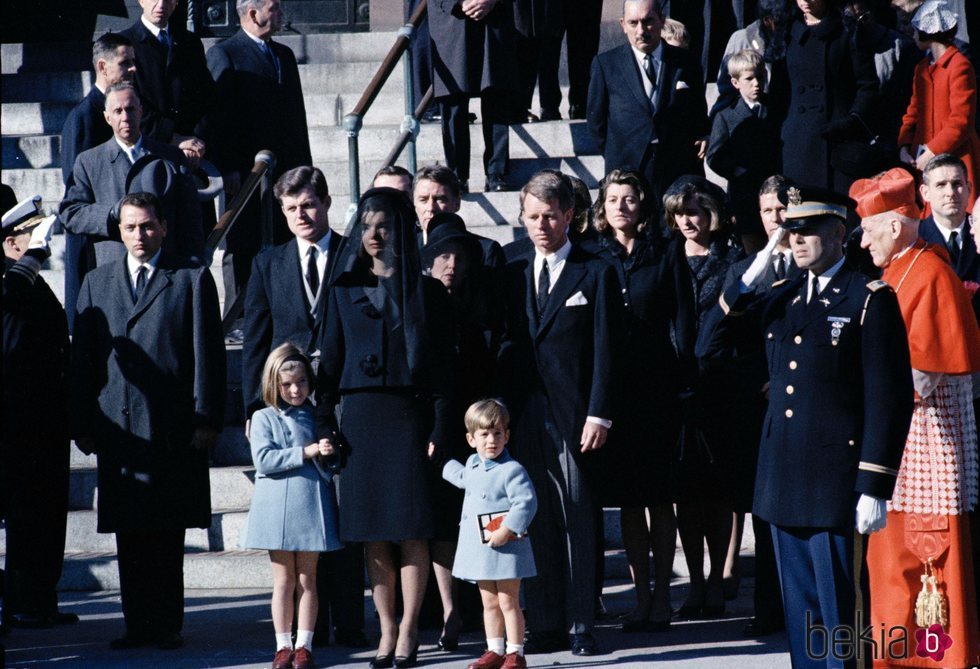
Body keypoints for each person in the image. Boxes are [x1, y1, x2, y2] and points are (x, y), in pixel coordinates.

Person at [696, 184, 914, 669]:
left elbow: (889, 398)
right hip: (782, 478)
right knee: (802, 618)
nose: (794, 239)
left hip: (836, 481)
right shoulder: (781, 296)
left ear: (839, 233)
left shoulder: (867, 298)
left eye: (806, 230)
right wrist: (755, 268)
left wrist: (875, 484)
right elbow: (709, 344)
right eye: (788, 231)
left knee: (839, 612)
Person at [71, 192, 226, 650]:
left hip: (173, 428)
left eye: (147, 226)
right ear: (118, 231)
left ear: (163, 226)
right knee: (130, 533)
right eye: (130, 227)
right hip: (120, 428)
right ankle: (136, 623)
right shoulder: (97, 282)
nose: (139, 235)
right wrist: (82, 422)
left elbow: (208, 356)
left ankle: (166, 624)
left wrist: (206, 419)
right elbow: (84, 360)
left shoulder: (191, 278)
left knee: (166, 530)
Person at [315, 187, 455, 668]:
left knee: (413, 529)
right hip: (359, 419)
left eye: (385, 226)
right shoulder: (341, 290)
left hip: (409, 418)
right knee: (374, 533)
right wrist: (324, 423)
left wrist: (440, 425)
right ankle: (387, 629)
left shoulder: (428, 291)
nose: (375, 235)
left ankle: (413, 629)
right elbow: (328, 368)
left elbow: (442, 371)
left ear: (402, 232)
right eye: (368, 226)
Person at [852, 168, 980, 669]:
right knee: (889, 566)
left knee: (923, 566)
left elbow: (924, 376)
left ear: (896, 226)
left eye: (868, 229)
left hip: (926, 445)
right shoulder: (896, 271)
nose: (862, 241)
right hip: (898, 443)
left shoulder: (928, 273)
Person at [240, 166, 366, 648]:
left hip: (341, 394)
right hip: (288, 402)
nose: (301, 215)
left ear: (327, 202)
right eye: (291, 208)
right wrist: (254, 405)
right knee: (305, 516)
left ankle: (348, 621)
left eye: (309, 204)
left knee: (343, 508)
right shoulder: (268, 262)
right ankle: (305, 631)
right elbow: (255, 336)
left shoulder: (353, 253)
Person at [497, 170, 622, 656]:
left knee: (575, 516)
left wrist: (600, 413)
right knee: (534, 517)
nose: (542, 225)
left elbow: (608, 348)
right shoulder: (510, 268)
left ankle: (580, 623)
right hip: (524, 414)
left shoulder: (597, 269)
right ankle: (545, 620)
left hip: (576, 416)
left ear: (571, 215)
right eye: (533, 217)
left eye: (551, 216)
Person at [583, 169, 694, 632]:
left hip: (658, 388)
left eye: (630, 199)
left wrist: (684, 377)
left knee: (659, 497)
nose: (622, 207)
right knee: (629, 500)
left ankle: (664, 598)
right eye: (613, 200)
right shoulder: (592, 254)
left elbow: (683, 320)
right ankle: (641, 595)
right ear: (602, 208)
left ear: (642, 204)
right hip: (613, 391)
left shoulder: (666, 251)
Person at [663, 175, 745, 620]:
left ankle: (717, 578)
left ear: (711, 213)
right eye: (679, 213)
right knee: (685, 494)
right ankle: (694, 580)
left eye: (693, 211)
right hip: (676, 388)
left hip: (717, 387)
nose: (687, 220)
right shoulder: (666, 257)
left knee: (716, 492)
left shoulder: (732, 261)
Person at [720, 174, 796, 638]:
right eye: (769, 211)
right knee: (766, 516)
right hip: (762, 406)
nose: (779, 220)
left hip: (811, 404)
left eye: (784, 209)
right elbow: (723, 336)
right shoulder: (748, 268)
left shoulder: (821, 263)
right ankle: (769, 609)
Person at [59, 81, 205, 315]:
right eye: (117, 111)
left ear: (141, 111)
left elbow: (190, 221)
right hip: (114, 272)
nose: (125, 117)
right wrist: (112, 214)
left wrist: (194, 267)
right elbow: (71, 212)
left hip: (166, 273)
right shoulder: (89, 161)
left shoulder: (170, 156)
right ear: (107, 118)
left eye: (130, 109)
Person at [241, 344, 343, 669]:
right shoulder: (262, 417)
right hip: (275, 507)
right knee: (283, 580)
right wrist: (307, 451)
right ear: (274, 384)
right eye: (287, 384)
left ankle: (304, 644)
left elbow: (330, 464)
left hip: (310, 503)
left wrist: (327, 452)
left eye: (301, 382)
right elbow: (264, 460)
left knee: (307, 578)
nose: (296, 390)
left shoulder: (316, 416)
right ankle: (282, 645)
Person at [1, 200, 76, 630]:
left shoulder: (27, 282)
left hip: (44, 420)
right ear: (11, 241)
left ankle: (37, 601)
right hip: (18, 424)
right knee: (28, 516)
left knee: (44, 516)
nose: (42, 242)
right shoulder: (12, 282)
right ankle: (24, 603)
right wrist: (32, 257)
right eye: (32, 234)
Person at [206, 0, 312, 288]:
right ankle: (238, 320)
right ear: (253, 13)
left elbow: (296, 118)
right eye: (274, 7)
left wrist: (306, 170)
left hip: (286, 170)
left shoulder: (284, 55)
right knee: (243, 245)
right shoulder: (224, 54)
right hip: (246, 174)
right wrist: (227, 168)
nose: (281, 13)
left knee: (286, 242)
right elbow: (217, 120)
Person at [430, 399, 537, 669]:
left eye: (498, 433)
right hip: (481, 548)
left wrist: (507, 529)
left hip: (507, 547)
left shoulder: (512, 470)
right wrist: (441, 460)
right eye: (484, 434)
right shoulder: (474, 464)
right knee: (488, 602)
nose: (492, 440)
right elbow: (464, 478)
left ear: (507, 435)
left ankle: (516, 653)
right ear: (471, 439)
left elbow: (526, 502)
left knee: (509, 601)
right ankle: (495, 650)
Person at [586, 0, 709, 213]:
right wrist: (622, 151)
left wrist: (703, 135)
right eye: (633, 23)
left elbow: (698, 112)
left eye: (648, 21)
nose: (641, 31)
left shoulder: (686, 62)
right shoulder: (606, 64)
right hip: (628, 170)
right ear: (623, 24)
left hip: (677, 167)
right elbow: (597, 123)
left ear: (661, 20)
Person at [60, 33, 137, 331]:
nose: (133, 69)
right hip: (95, 250)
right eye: (125, 63)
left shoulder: (127, 108)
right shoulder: (83, 118)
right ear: (103, 67)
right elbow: (75, 200)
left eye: (134, 62)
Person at [769, 0, 878, 192]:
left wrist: (851, 121)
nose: (805, 1)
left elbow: (867, 85)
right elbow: (779, 92)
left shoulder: (847, 29)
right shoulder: (786, 33)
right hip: (798, 143)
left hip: (839, 140)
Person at [428, 0, 521, 192]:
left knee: (496, 93)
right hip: (451, 21)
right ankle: (457, 175)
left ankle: (496, 171)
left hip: (495, 18)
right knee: (453, 100)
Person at [899, 0, 980, 212]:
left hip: (956, 155)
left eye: (918, 30)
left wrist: (931, 152)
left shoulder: (959, 65)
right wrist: (904, 145)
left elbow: (961, 121)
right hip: (924, 157)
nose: (914, 35)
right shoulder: (922, 68)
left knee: (957, 209)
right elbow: (913, 112)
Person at [119, 0, 210, 168]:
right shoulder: (124, 44)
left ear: (176, 3)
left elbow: (206, 96)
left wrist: (194, 140)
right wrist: (172, 138)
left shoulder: (190, 43)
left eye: (168, 0)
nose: (161, 5)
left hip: (193, 156)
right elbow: (126, 100)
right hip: (147, 153)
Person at [707, 48, 781, 251]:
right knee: (753, 247)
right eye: (749, 79)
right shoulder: (726, 115)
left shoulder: (775, 109)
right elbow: (714, 155)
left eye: (760, 77)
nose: (756, 84)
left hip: (775, 188)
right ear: (735, 83)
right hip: (745, 194)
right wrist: (736, 170)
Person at [919, 153, 980, 283]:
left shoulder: (978, 229)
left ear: (968, 189)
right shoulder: (914, 238)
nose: (951, 193)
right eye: (941, 185)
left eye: (957, 183)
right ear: (925, 193)